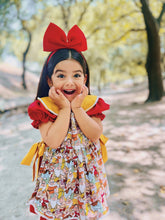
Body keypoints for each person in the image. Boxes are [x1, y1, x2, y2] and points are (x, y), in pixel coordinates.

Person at [21, 23, 110, 220]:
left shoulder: (91, 104)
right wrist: (64, 109)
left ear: (85, 79)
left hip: (88, 179)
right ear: (50, 81)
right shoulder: (45, 108)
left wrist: (77, 108)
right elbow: (52, 141)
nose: (69, 82)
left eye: (76, 75)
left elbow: (95, 134)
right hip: (58, 181)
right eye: (61, 75)